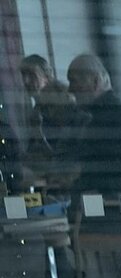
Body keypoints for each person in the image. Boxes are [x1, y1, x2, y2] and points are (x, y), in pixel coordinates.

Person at [66, 54, 121, 205]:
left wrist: (95, 188)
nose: (70, 89)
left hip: (110, 210)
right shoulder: (97, 115)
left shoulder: (113, 117)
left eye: (74, 81)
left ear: (95, 81)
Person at [19, 55, 80, 189]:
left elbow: (67, 152)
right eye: (23, 75)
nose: (26, 81)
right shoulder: (37, 111)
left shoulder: (63, 104)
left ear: (46, 76)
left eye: (31, 75)